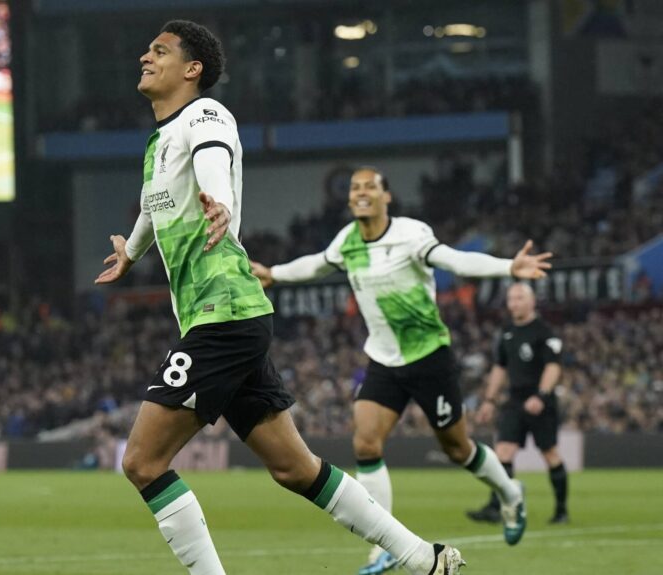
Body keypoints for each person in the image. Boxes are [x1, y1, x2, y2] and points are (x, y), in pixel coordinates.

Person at [95, 22, 463, 575]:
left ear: (192, 69)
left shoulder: (206, 114)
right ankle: (423, 557)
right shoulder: (158, 141)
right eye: (147, 49)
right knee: (295, 469)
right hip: (226, 318)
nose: (145, 57)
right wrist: (132, 254)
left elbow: (212, 158)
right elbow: (154, 206)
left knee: (143, 462)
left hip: (224, 315)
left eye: (160, 51)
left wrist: (218, 201)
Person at [252, 167, 551, 574]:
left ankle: (510, 493)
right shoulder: (348, 240)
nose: (361, 192)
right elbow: (318, 265)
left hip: (430, 357)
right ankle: (385, 546)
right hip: (384, 360)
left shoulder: (410, 234)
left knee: (457, 448)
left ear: (386, 196)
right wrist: (275, 274)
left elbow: (455, 259)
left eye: (369, 187)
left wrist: (507, 268)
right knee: (366, 444)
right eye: (355, 188)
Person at [467, 283, 568, 524]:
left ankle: (561, 511)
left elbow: (553, 367)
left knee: (550, 453)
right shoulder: (507, 332)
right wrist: (490, 400)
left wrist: (542, 396)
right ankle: (496, 507)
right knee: (503, 451)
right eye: (511, 298)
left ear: (532, 302)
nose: (514, 303)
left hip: (541, 401)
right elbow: (500, 367)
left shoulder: (544, 332)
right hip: (515, 400)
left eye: (519, 298)